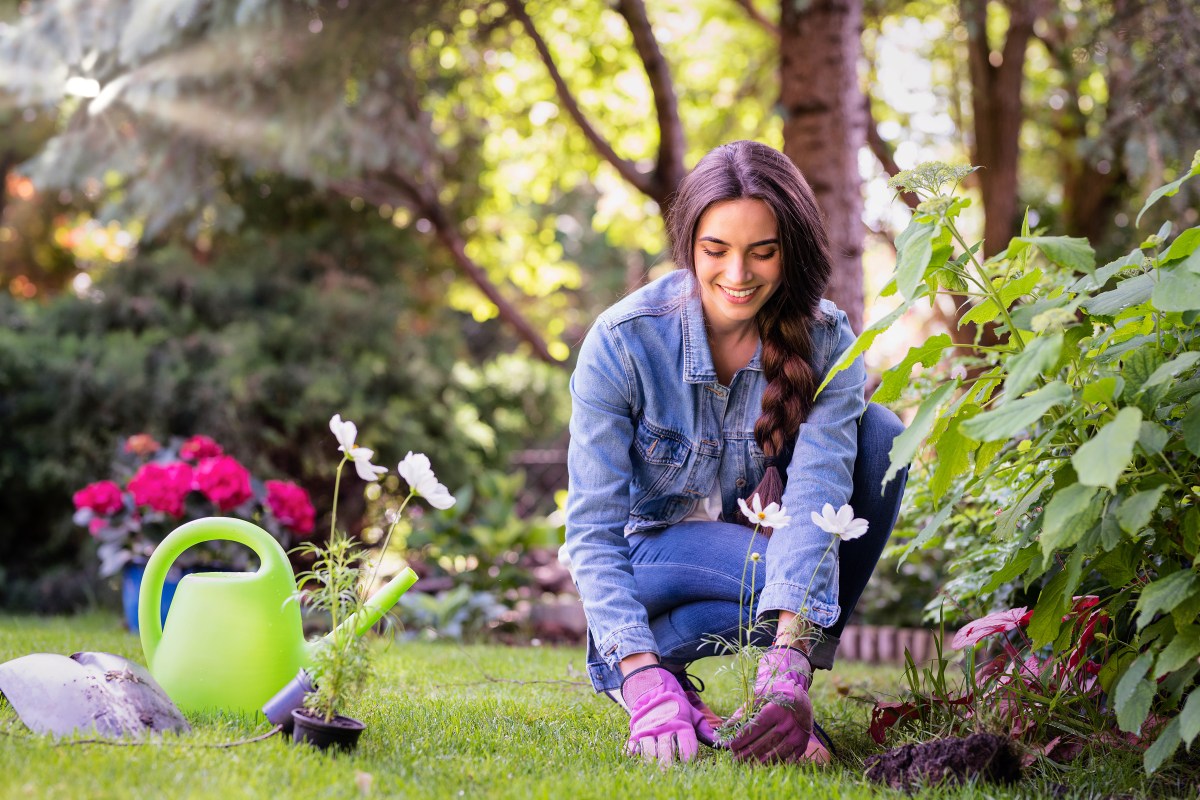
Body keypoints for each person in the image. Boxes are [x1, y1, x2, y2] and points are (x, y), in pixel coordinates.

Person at [563, 140, 908, 766]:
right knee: (774, 573)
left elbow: (817, 498)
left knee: (882, 440)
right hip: (651, 559)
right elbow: (592, 529)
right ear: (689, 246)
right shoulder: (624, 343)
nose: (737, 275)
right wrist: (641, 682)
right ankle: (638, 668)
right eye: (715, 250)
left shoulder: (826, 341)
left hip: (756, 545)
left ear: (791, 249)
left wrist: (788, 668)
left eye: (763, 252)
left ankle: (752, 692)